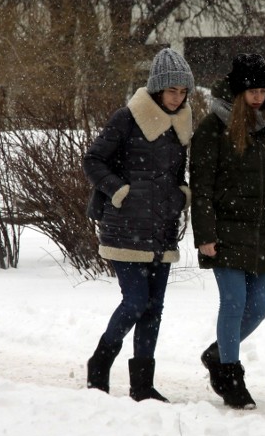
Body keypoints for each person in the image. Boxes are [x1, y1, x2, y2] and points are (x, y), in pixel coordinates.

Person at [83, 47, 195, 403]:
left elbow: (176, 174)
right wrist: (120, 192)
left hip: (161, 228)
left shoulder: (182, 124)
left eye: (183, 92)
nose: (177, 98)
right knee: (135, 302)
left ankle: (142, 385)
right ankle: (99, 364)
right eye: (172, 90)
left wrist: (181, 196)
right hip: (124, 227)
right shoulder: (127, 118)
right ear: (157, 89)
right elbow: (93, 160)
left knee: (154, 307)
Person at [190, 53, 265, 410]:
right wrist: (205, 234)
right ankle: (230, 376)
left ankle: (218, 353)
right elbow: (200, 185)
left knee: (260, 306)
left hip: (263, 230)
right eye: (251, 91)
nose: (258, 97)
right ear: (238, 92)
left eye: (263, 90)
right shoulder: (213, 128)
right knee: (233, 304)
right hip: (226, 229)